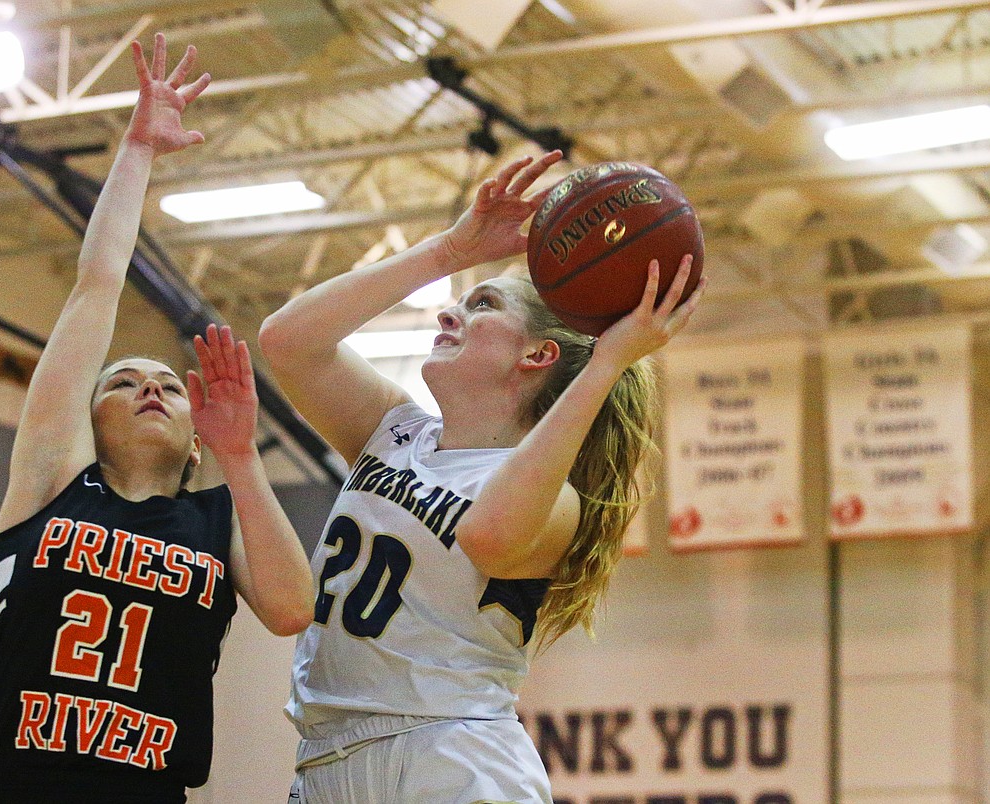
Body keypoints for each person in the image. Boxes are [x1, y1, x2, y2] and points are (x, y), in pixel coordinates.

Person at [259, 150, 705, 803]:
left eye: (482, 305)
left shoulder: (554, 503)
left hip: (449, 759)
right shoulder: (395, 430)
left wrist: (605, 364)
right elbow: (285, 343)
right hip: (326, 762)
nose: (448, 316)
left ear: (539, 354)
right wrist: (448, 251)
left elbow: (489, 536)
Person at [0, 34, 314, 804]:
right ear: (87, 419)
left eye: (171, 386)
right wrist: (137, 153)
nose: (150, 388)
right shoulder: (52, 484)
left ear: (197, 441)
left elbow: (292, 609)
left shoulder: (215, 516)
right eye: (122, 382)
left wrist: (244, 457)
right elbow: (95, 288)